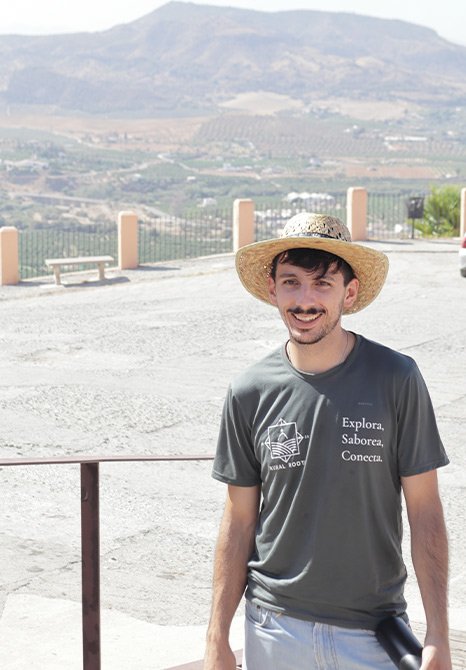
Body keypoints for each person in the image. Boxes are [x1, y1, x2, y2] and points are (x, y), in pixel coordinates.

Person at [204, 212, 451, 670]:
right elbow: (238, 520)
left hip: (373, 635)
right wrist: (217, 635)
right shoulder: (248, 391)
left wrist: (438, 630)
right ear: (273, 290)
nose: (304, 300)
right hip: (273, 628)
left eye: (322, 284)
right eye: (292, 282)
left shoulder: (396, 378)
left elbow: (425, 509)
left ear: (349, 293)